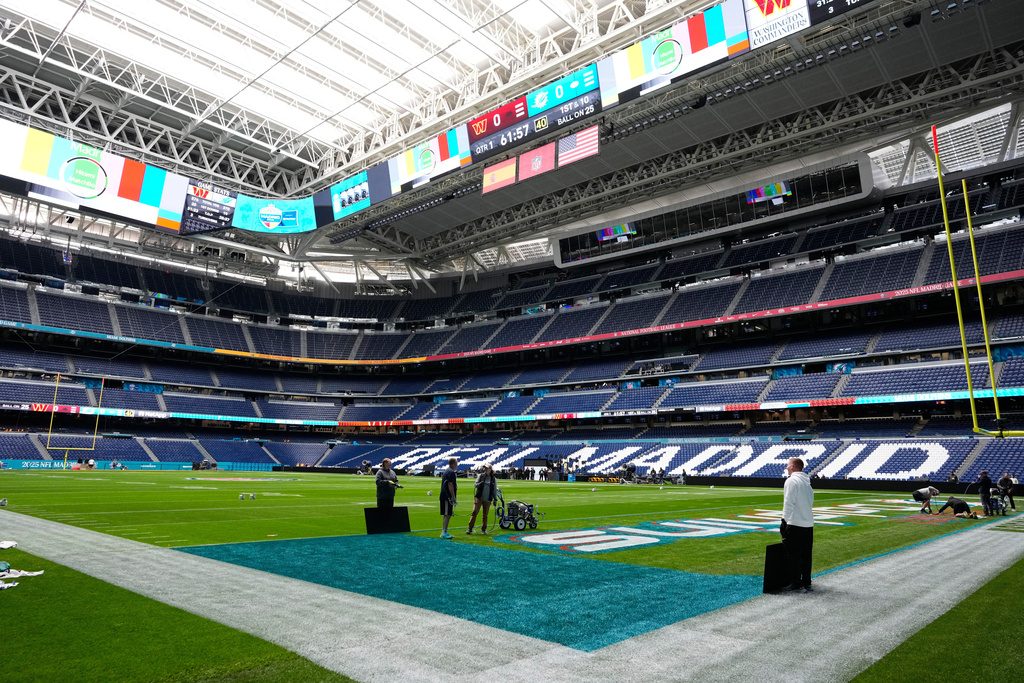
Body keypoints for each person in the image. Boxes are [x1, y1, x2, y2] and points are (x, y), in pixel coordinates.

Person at [780, 457, 814, 593]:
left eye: (788, 465)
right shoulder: (807, 483)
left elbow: (788, 502)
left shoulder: (791, 481)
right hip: (808, 523)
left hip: (796, 524)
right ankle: (806, 581)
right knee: (806, 555)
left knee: (793, 554)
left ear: (793, 467)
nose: (787, 467)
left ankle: (795, 582)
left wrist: (784, 521)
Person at [466, 464, 497, 535]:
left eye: (487, 468)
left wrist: (495, 499)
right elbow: (475, 485)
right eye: (485, 468)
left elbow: (494, 489)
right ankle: (470, 528)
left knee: (485, 515)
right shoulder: (481, 476)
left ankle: (483, 529)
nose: (485, 469)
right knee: (474, 512)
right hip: (479, 498)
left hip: (488, 499)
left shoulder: (493, 478)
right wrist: (480, 484)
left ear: (490, 469)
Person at [439, 457, 458, 539]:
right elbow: (450, 484)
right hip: (447, 497)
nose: (457, 465)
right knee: (447, 514)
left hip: (445, 496)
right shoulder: (451, 472)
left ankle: (445, 531)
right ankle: (444, 532)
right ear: (453, 463)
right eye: (456, 463)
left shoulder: (448, 471)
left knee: (448, 514)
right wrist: (453, 497)